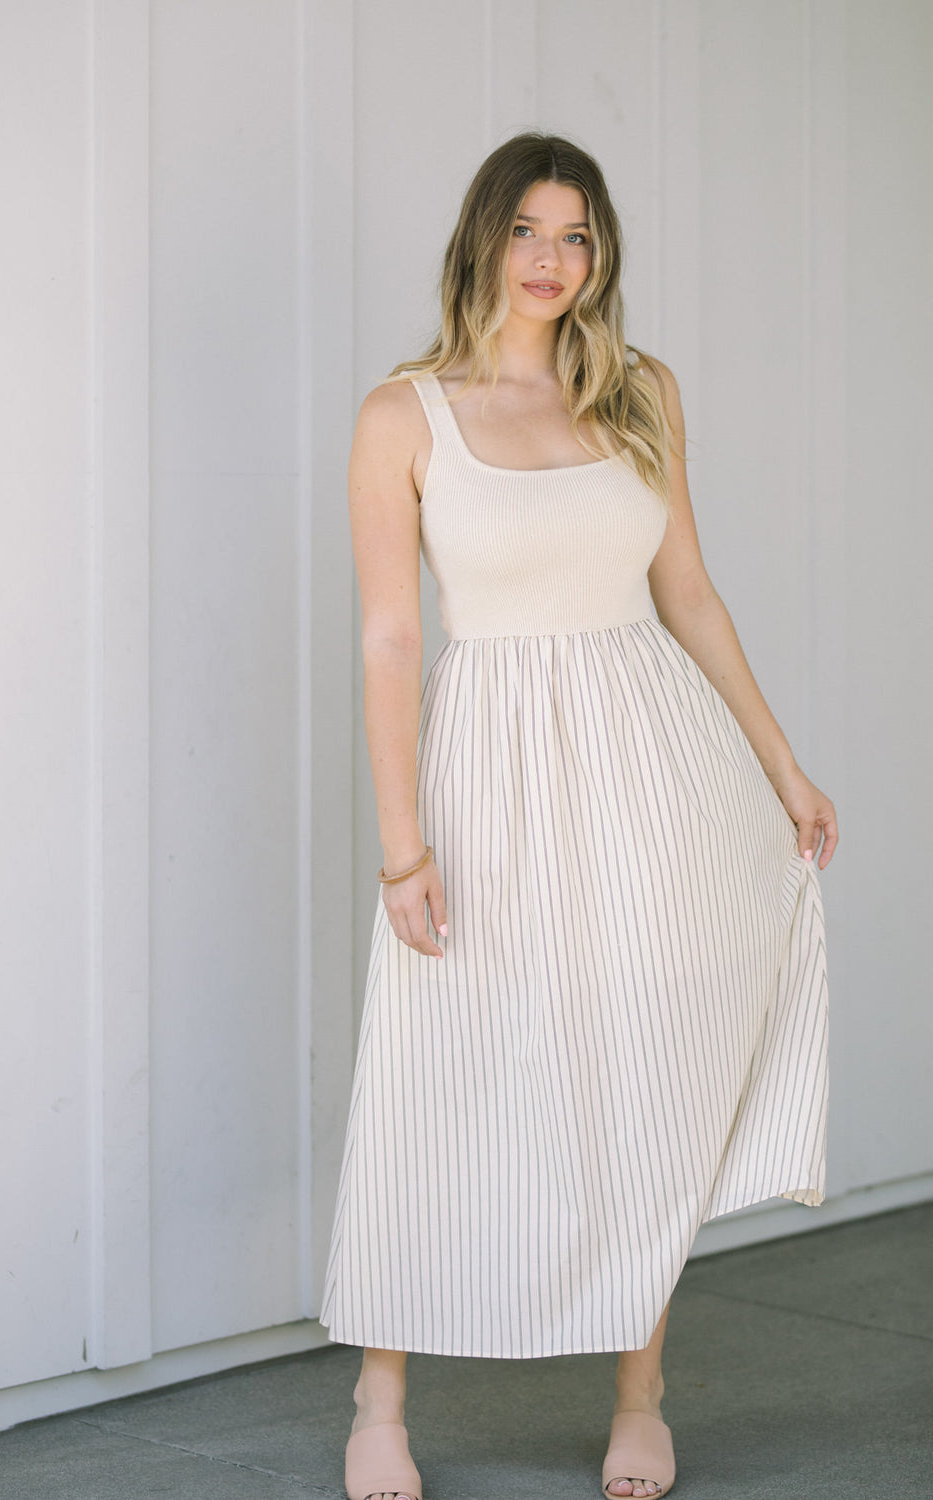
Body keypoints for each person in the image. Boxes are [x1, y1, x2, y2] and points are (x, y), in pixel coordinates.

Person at [319, 132, 837, 1500]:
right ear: (484, 238)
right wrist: (402, 846)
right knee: (438, 1071)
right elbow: (386, 637)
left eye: (581, 237)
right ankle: (380, 1403)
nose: (555, 261)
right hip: (487, 771)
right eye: (531, 231)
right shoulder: (402, 415)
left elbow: (692, 596)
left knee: (641, 1066)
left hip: (651, 763)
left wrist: (781, 764)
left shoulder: (641, 393)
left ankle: (639, 1392)